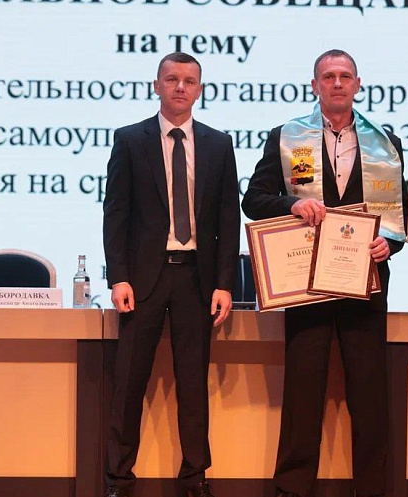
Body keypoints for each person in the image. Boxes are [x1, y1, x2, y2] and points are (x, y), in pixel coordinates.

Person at [241, 49, 408, 497]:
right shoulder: (287, 137)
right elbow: (253, 200)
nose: (337, 83)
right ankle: (291, 489)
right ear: (314, 85)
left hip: (365, 283)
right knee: (303, 393)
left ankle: (373, 491)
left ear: (358, 85)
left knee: (369, 395)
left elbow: (400, 214)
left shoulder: (385, 142)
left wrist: (390, 244)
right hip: (306, 285)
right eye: (328, 76)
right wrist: (291, 204)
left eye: (345, 76)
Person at [102, 52, 240, 497]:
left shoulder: (219, 144)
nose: (180, 87)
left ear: (199, 89)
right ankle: (119, 479)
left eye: (189, 81)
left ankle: (195, 478)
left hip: (196, 280)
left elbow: (227, 220)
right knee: (129, 384)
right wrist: (118, 277)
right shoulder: (130, 140)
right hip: (143, 279)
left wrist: (225, 283)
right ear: (156, 85)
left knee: (194, 384)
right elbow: (116, 213)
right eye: (172, 79)